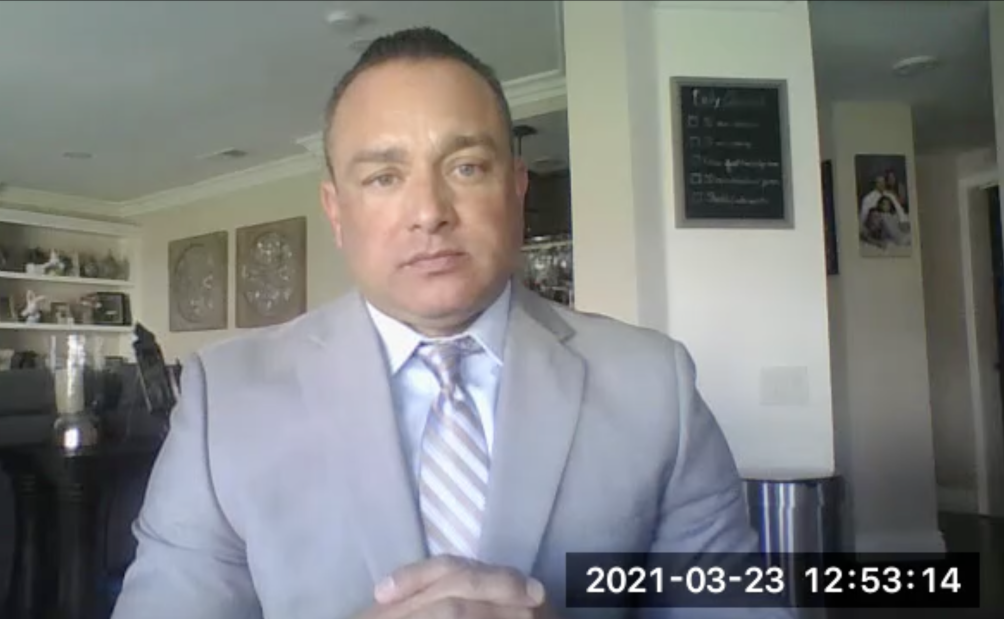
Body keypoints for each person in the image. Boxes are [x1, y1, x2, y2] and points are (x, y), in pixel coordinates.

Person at [111, 27, 788, 619]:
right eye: (383, 176)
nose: (429, 210)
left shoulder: (654, 386)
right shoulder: (223, 402)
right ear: (336, 209)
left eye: (466, 167)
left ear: (516, 190)